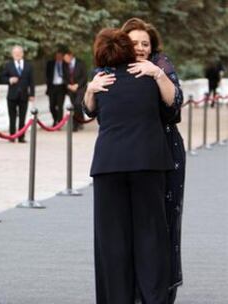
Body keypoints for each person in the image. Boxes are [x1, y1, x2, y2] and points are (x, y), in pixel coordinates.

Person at [83, 28, 173, 304]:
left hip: (109, 165)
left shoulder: (100, 81)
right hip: (147, 162)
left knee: (112, 240)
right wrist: (158, 74)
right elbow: (171, 107)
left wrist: (89, 89)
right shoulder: (148, 79)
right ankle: (153, 298)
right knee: (151, 237)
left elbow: (88, 111)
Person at [121, 17, 185, 304]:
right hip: (128, 155)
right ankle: (133, 288)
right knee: (128, 224)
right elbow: (88, 110)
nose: (140, 48)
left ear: (152, 46)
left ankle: (163, 289)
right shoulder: (113, 64)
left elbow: (175, 107)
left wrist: (156, 74)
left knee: (164, 221)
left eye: (145, 43)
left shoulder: (161, 63)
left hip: (166, 152)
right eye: (134, 43)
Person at [1, 45, 35, 143]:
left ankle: (21, 137)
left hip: (24, 95)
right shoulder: (8, 65)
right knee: (12, 117)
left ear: (22, 54)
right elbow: (2, 77)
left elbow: (31, 81)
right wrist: (9, 80)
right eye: (15, 53)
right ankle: (12, 136)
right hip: (12, 96)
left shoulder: (28, 65)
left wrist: (32, 94)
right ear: (12, 54)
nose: (17, 54)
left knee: (22, 117)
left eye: (19, 52)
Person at [63, 49, 87, 131]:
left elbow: (84, 77)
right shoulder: (65, 65)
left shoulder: (80, 63)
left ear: (70, 56)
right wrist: (68, 85)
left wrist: (77, 85)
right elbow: (64, 77)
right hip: (70, 89)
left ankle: (75, 125)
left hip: (80, 88)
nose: (65, 60)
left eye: (66, 58)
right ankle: (81, 120)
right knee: (75, 106)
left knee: (77, 104)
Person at [46, 49, 69, 126]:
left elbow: (68, 75)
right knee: (51, 106)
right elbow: (47, 75)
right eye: (57, 56)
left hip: (61, 87)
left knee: (60, 106)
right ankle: (55, 119)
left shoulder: (66, 64)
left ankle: (59, 122)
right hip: (52, 87)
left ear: (62, 57)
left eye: (60, 56)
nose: (58, 57)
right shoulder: (50, 64)